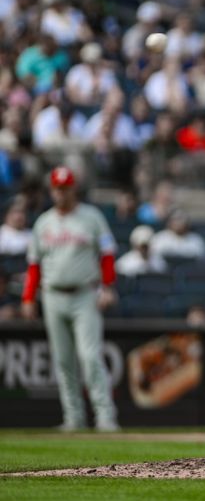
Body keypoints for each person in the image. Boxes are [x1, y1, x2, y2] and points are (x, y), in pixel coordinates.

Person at [21, 166, 120, 432]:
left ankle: (105, 417)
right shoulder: (44, 222)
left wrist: (108, 287)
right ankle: (73, 418)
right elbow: (34, 264)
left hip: (85, 294)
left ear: (73, 188)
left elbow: (108, 252)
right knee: (63, 360)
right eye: (57, 188)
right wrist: (29, 297)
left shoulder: (91, 217)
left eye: (65, 188)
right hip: (52, 295)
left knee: (89, 356)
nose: (61, 193)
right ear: (52, 190)